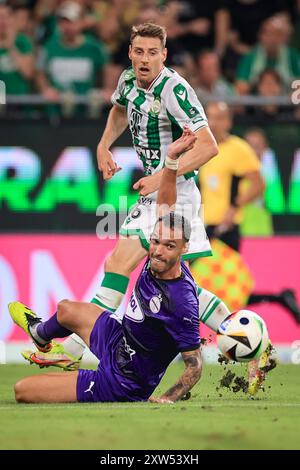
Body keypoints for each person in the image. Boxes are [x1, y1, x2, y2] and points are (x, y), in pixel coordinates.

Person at [31, 22, 218, 367]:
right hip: (158, 189)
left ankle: (68, 349)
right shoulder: (128, 81)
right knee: (152, 276)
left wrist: (163, 173)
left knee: (164, 280)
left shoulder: (174, 89)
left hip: (177, 191)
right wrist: (104, 144)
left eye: (152, 53)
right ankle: (249, 342)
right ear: (130, 52)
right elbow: (119, 109)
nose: (144, 59)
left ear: (164, 55)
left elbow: (209, 146)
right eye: (139, 52)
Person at [10, 128, 203, 404]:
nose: (158, 251)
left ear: (184, 249)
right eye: (156, 241)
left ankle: (78, 371)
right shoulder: (160, 247)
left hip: (123, 380)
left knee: (22, 390)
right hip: (117, 339)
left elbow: (194, 365)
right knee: (66, 309)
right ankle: (42, 338)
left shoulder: (181, 300)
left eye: (168, 246)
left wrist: (168, 397)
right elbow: (166, 203)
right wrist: (171, 158)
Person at [198, 102, 300, 324]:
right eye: (210, 117)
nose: (213, 122)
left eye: (219, 117)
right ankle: (279, 298)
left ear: (228, 122)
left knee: (209, 286)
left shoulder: (238, 149)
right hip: (205, 226)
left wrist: (234, 208)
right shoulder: (204, 147)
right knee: (221, 290)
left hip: (225, 228)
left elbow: (258, 184)